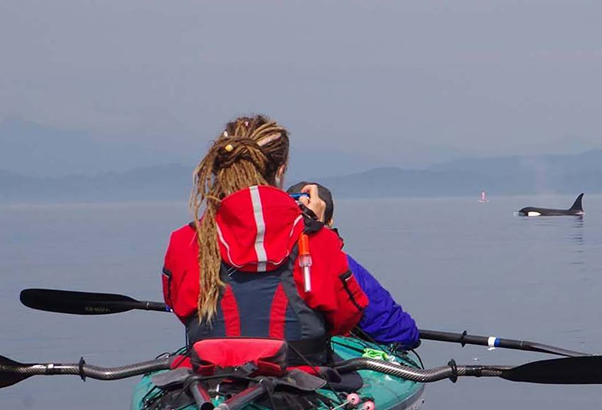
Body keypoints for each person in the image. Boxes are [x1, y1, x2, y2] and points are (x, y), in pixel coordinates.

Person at [161, 115, 369, 365]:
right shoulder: (317, 238)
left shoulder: (186, 240)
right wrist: (317, 223)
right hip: (302, 377)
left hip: (212, 377)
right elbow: (348, 315)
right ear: (281, 168)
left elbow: (179, 307)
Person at [287, 181, 420, 350]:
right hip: (322, 364)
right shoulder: (342, 267)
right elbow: (403, 334)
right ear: (330, 220)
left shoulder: (261, 266)